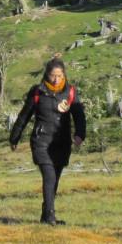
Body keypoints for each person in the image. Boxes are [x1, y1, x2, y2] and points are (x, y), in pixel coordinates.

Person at [9, 57, 86, 225]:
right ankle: (51, 215)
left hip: (62, 142)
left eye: (59, 75)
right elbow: (24, 115)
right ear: (46, 75)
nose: (56, 79)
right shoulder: (37, 91)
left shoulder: (70, 92)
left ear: (64, 74)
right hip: (41, 141)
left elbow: (79, 116)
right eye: (53, 75)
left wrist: (80, 134)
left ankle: (46, 215)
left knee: (55, 178)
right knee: (49, 175)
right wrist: (14, 136)